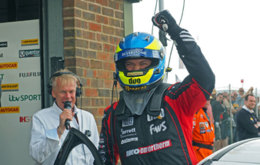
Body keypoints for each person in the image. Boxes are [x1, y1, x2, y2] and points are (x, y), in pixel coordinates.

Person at [98, 10, 215, 165]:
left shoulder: (175, 98)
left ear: (156, 63)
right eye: (130, 64)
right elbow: (103, 160)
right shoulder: (112, 114)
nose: (136, 69)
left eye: (143, 63)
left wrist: (175, 32)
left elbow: (205, 79)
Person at [29, 69, 99, 165]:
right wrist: (58, 131)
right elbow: (37, 156)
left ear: (77, 92)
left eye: (71, 91)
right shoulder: (40, 118)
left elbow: (96, 152)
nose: (68, 96)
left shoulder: (88, 118)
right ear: (53, 93)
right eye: (63, 92)